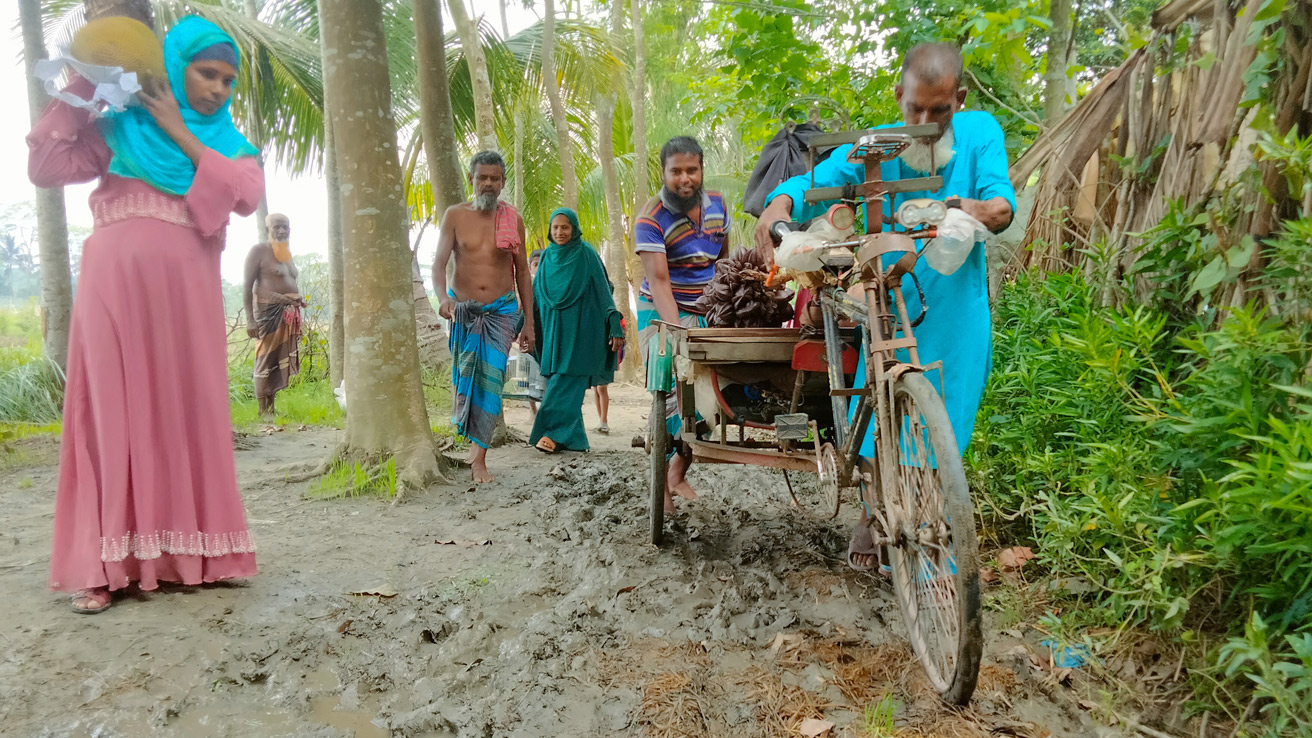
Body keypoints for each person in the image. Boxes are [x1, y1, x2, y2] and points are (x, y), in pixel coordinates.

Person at [27, 16, 263, 613]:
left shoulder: (229, 142)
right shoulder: (118, 126)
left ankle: (194, 556)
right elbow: (46, 168)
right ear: (174, 67)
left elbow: (245, 195)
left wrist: (181, 130)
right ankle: (101, 569)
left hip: (186, 294)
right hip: (114, 285)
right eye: (206, 73)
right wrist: (82, 85)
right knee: (110, 409)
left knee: (186, 407)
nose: (217, 87)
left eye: (227, 80)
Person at [755, 42, 1016, 571]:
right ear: (899, 96)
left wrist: (967, 209)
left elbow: (1002, 205)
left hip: (956, 309)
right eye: (915, 108)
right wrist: (780, 203)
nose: (924, 122)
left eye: (939, 111)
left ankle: (933, 546)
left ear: (958, 100)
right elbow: (816, 184)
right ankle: (874, 513)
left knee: (946, 426)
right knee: (878, 406)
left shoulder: (981, 133)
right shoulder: (877, 143)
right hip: (887, 297)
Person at [635, 136, 729, 513]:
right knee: (673, 394)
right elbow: (659, 283)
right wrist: (679, 339)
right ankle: (661, 487)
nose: (685, 178)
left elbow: (723, 260)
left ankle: (678, 471)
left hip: (705, 308)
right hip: (661, 314)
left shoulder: (719, 205)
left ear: (702, 170)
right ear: (664, 172)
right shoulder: (650, 219)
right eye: (676, 171)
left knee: (713, 398)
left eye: (692, 170)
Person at [433, 151, 535, 484]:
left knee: (491, 383)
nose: (488, 183)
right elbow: (438, 265)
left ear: (503, 182)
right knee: (465, 381)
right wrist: (442, 299)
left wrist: (529, 323)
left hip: (502, 312)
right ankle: (468, 442)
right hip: (463, 312)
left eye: (494, 178)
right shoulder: (454, 216)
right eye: (482, 178)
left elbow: (523, 274)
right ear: (472, 180)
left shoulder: (512, 218)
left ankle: (479, 459)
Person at [530, 208, 624, 453]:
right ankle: (575, 440)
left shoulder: (586, 254)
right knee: (556, 381)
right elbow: (536, 297)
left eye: (565, 227)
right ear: (550, 231)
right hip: (552, 331)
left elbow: (604, 292)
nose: (560, 232)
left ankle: (549, 433)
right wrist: (524, 326)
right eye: (556, 228)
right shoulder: (547, 258)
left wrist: (614, 323)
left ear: (574, 229)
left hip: (581, 331)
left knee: (566, 380)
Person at [244, 213, 305, 418]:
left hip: (287, 313)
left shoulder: (286, 254)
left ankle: (272, 408)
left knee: (276, 359)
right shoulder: (258, 251)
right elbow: (248, 286)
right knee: (264, 358)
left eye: (285, 227)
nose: (281, 231)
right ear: (267, 229)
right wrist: (250, 318)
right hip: (267, 312)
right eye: (276, 227)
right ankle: (263, 411)